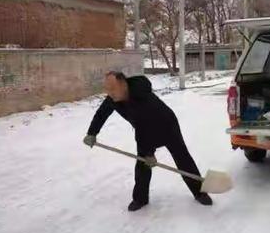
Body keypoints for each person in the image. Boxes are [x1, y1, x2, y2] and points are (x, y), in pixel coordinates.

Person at [83, 71, 213, 211]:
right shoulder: (114, 98)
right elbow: (101, 114)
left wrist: (149, 153)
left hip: (167, 126)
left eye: (113, 89)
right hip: (144, 129)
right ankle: (140, 199)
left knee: (182, 157)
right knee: (142, 164)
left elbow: (145, 127)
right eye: (107, 89)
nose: (110, 93)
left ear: (123, 84)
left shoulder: (142, 96)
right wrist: (92, 133)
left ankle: (199, 192)